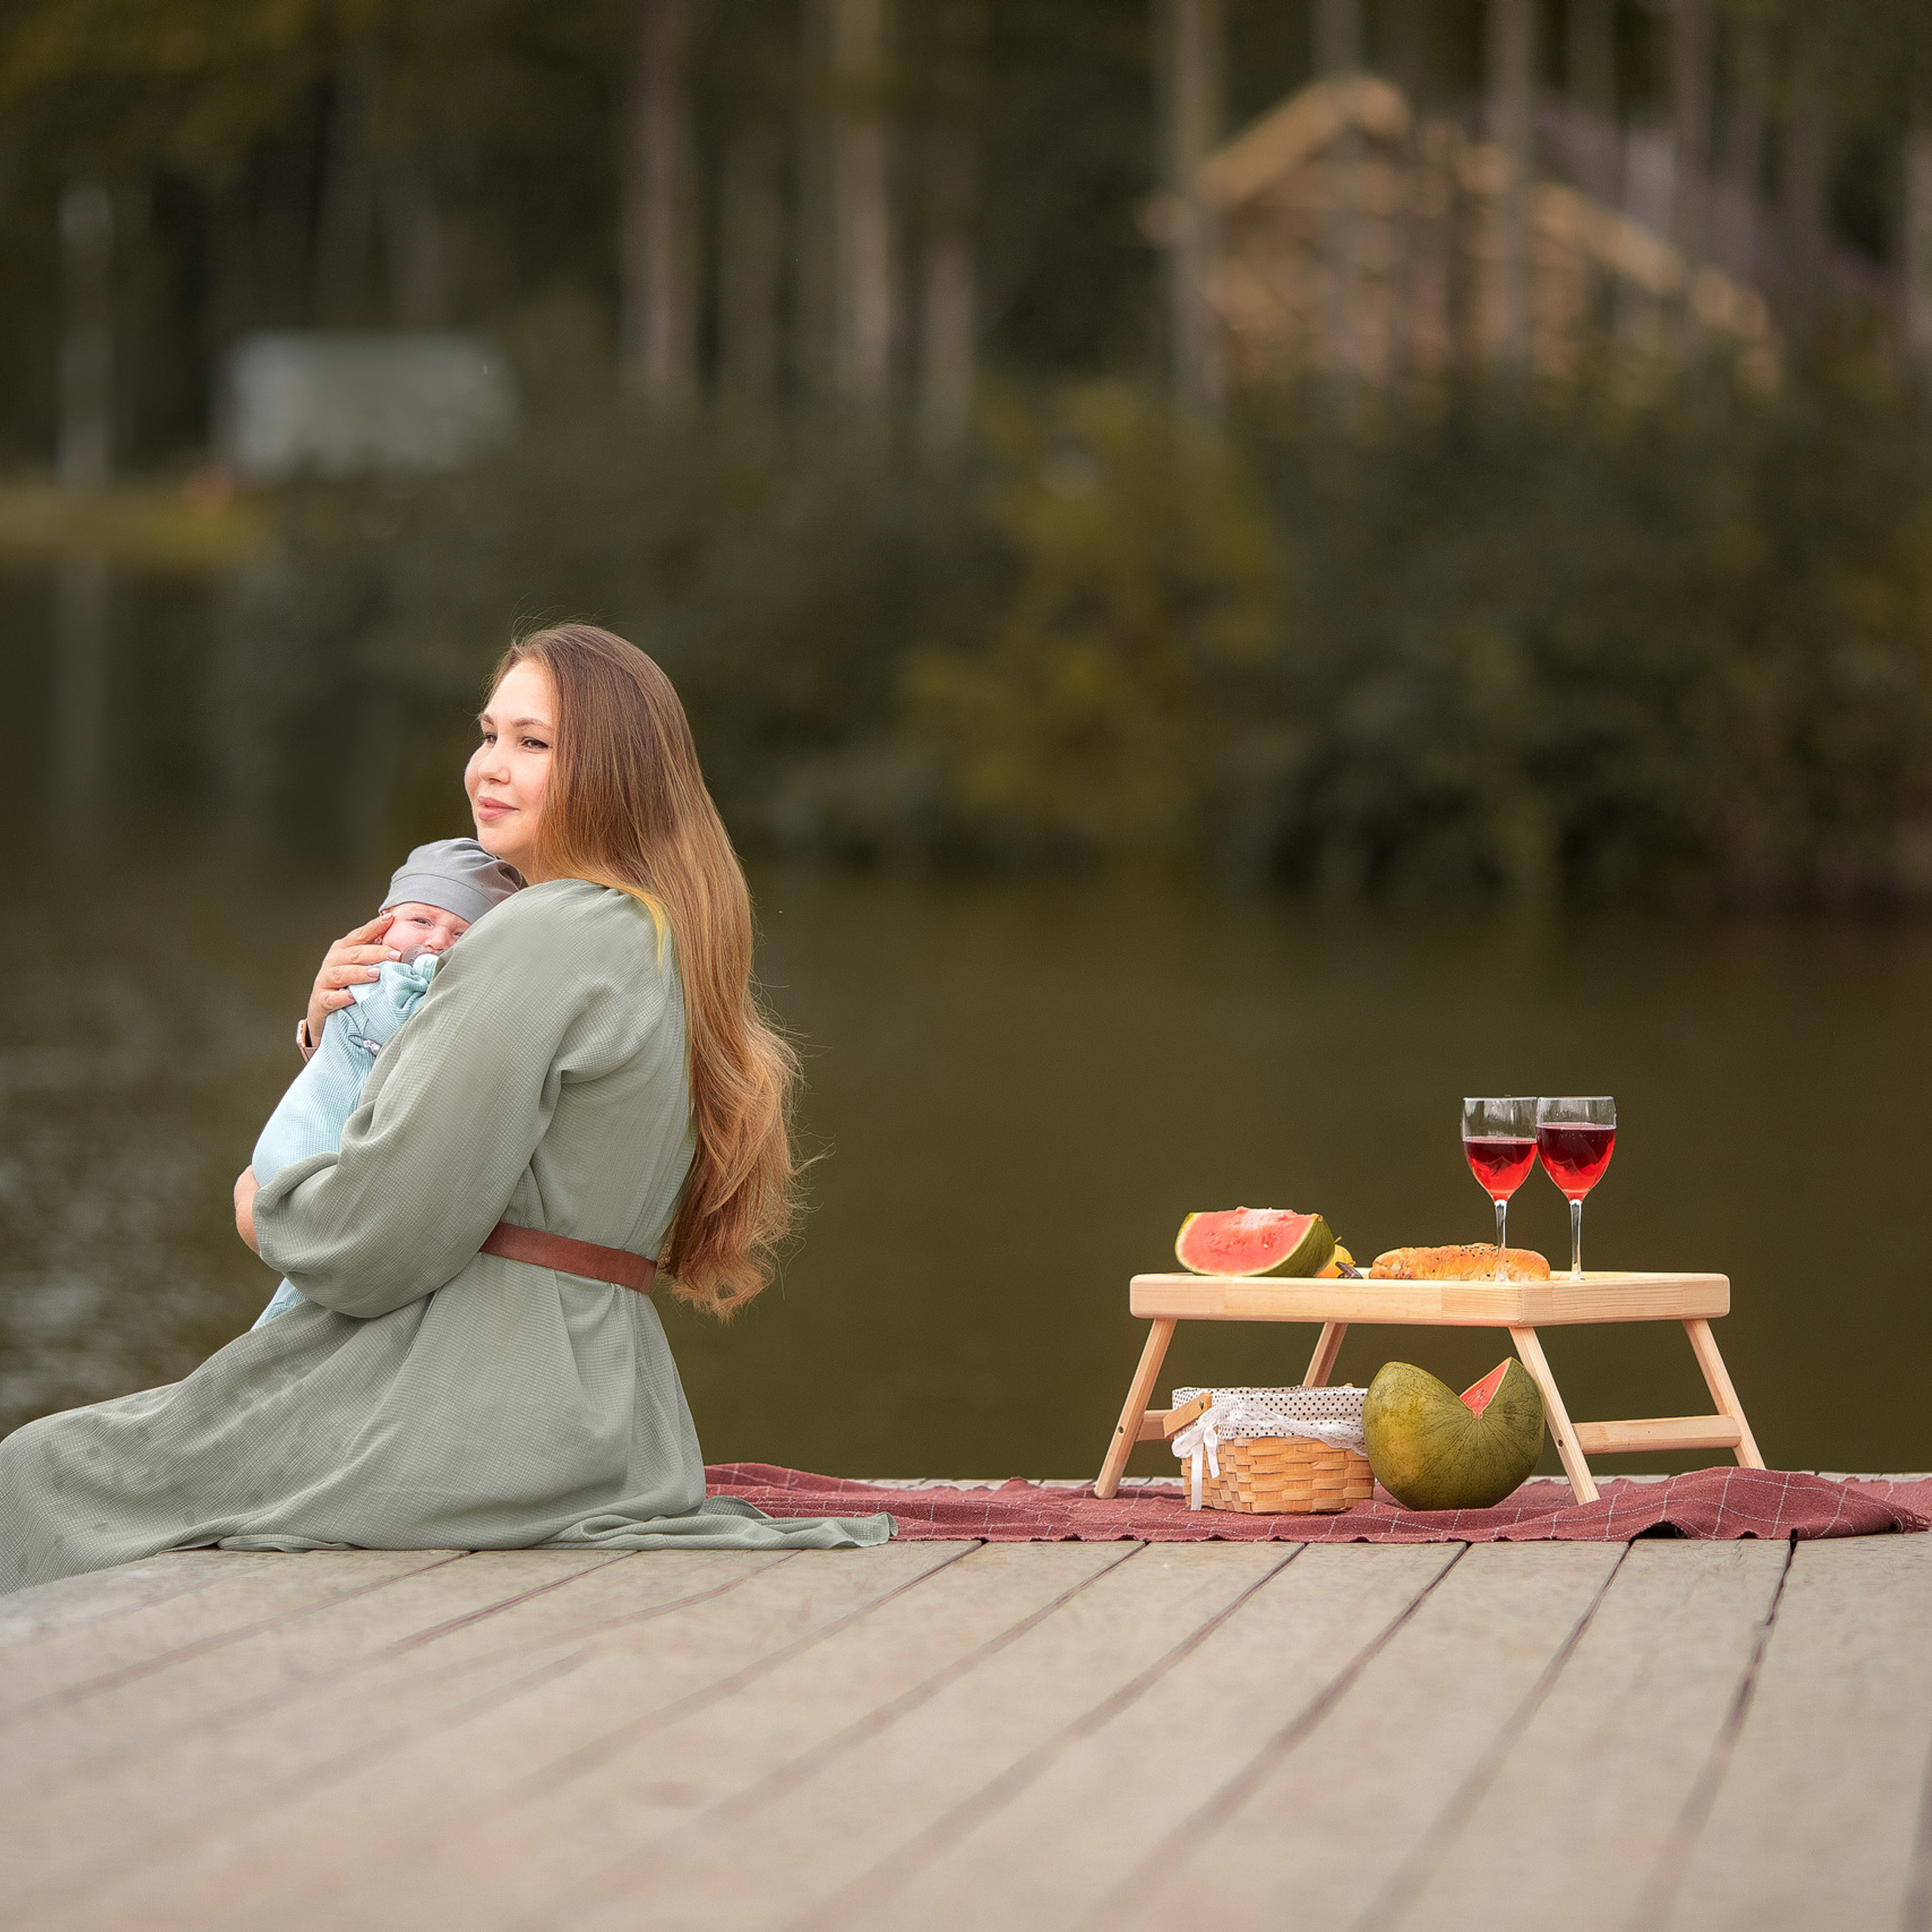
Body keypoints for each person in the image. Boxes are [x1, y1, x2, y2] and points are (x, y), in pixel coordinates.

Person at [0, 626, 894, 1592]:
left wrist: (267, 1207)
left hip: (469, 1409)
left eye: (533, 743)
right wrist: (331, 1034)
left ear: (612, 772)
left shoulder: (541, 934)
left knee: (41, 1473)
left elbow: (381, 1237)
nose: (489, 769)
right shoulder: (664, 936)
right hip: (614, 1423)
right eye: (489, 734)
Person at [250, 837, 524, 1329]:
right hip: (317, 1176)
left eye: (462, 933)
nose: (437, 941)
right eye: (421, 921)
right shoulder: (369, 978)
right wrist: (317, 1027)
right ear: (382, 923)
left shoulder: (455, 999)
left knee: (295, 1314)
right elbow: (348, 1064)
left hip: (358, 1210)